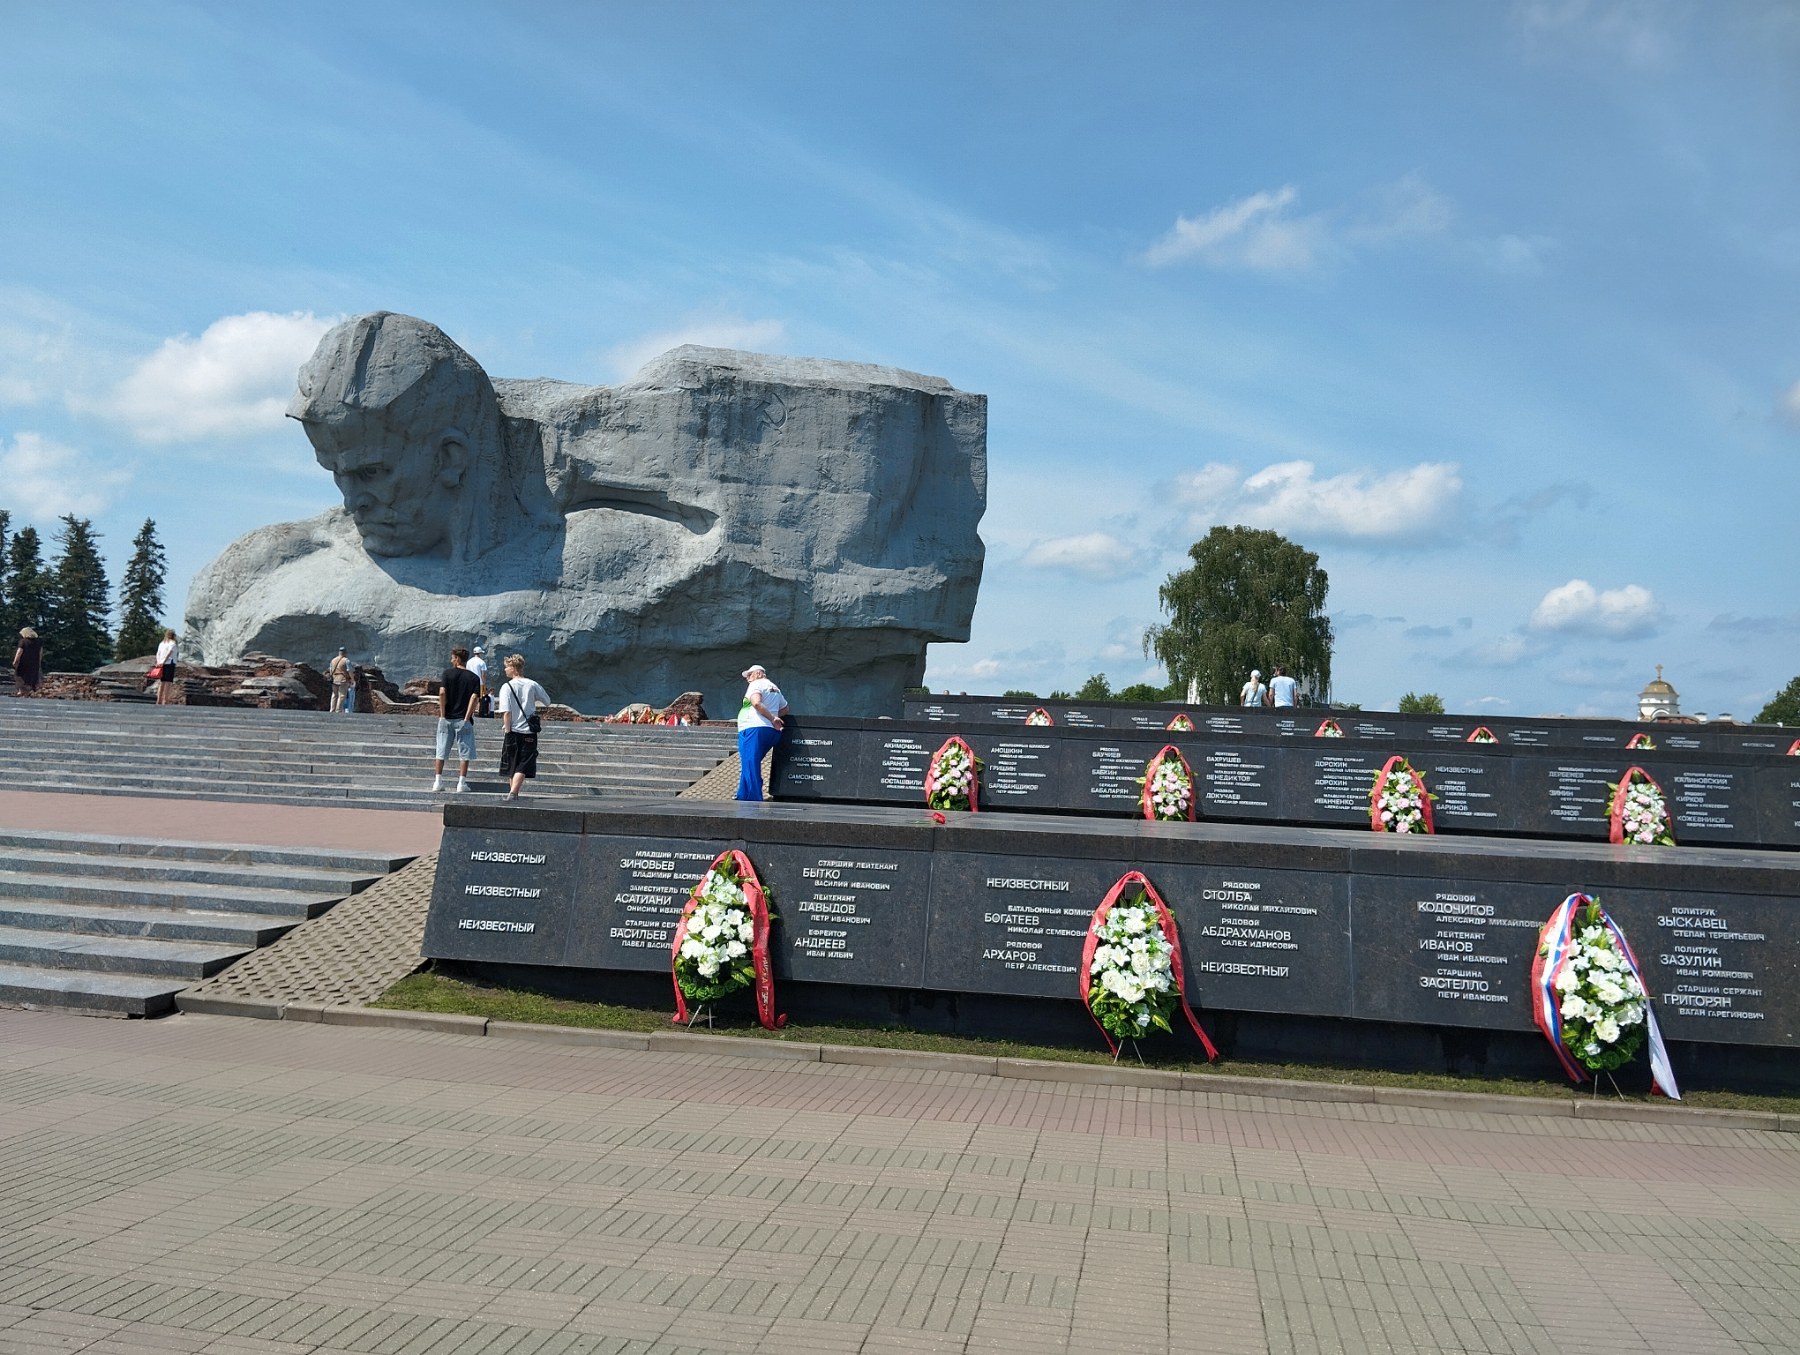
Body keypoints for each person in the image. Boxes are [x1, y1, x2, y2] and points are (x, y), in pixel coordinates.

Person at [495, 654, 550, 801]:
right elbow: (547, 701)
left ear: (513, 668)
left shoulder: (506, 687)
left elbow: (506, 712)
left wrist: (507, 731)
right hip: (529, 731)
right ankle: (514, 794)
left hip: (512, 730)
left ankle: (513, 793)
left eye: (507, 667)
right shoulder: (532, 684)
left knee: (512, 764)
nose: (505, 670)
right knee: (524, 763)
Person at [735, 663, 788, 801]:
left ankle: (753, 798)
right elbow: (785, 709)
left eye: (749, 674)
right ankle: (742, 793)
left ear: (758, 673)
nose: (748, 678)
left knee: (750, 761)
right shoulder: (775, 688)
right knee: (749, 761)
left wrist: (772, 718)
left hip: (753, 728)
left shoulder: (756, 684)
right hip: (770, 731)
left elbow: (756, 703)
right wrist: (773, 716)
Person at [433, 646, 483, 793]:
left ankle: (438, 782)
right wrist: (467, 717)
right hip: (463, 719)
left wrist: (442, 715)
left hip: (447, 718)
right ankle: (461, 783)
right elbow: (474, 698)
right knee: (464, 753)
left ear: (457, 659)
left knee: (441, 750)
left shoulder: (447, 674)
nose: (451, 660)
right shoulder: (474, 678)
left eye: (452, 658)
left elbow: (442, 693)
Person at [152, 629, 180, 705]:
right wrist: (164, 661)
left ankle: (159, 700)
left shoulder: (162, 643)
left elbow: (158, 653)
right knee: (168, 682)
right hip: (170, 663)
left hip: (161, 663)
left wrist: (159, 662)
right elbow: (169, 653)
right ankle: (166, 700)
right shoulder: (173, 643)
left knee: (162, 682)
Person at [11, 627, 43, 696]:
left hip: (23, 663)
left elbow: (19, 652)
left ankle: (21, 691)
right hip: (34, 663)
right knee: (32, 676)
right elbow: (40, 653)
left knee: (20, 676)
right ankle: (31, 691)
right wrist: (39, 663)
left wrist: (15, 661)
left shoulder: (23, 641)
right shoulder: (38, 642)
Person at [327, 647, 353, 712]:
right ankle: (338, 709)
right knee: (342, 695)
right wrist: (352, 679)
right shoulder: (346, 660)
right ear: (345, 653)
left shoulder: (333, 660)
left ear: (339, 652)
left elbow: (331, 670)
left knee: (334, 695)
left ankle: (332, 709)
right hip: (343, 679)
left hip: (335, 679)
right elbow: (350, 671)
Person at [467, 645, 490, 716]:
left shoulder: (469, 661)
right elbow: (483, 675)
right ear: (480, 653)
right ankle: (473, 712)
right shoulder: (482, 662)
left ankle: (469, 711)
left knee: (469, 697)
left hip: (469, 682)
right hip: (479, 683)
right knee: (478, 698)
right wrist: (484, 685)